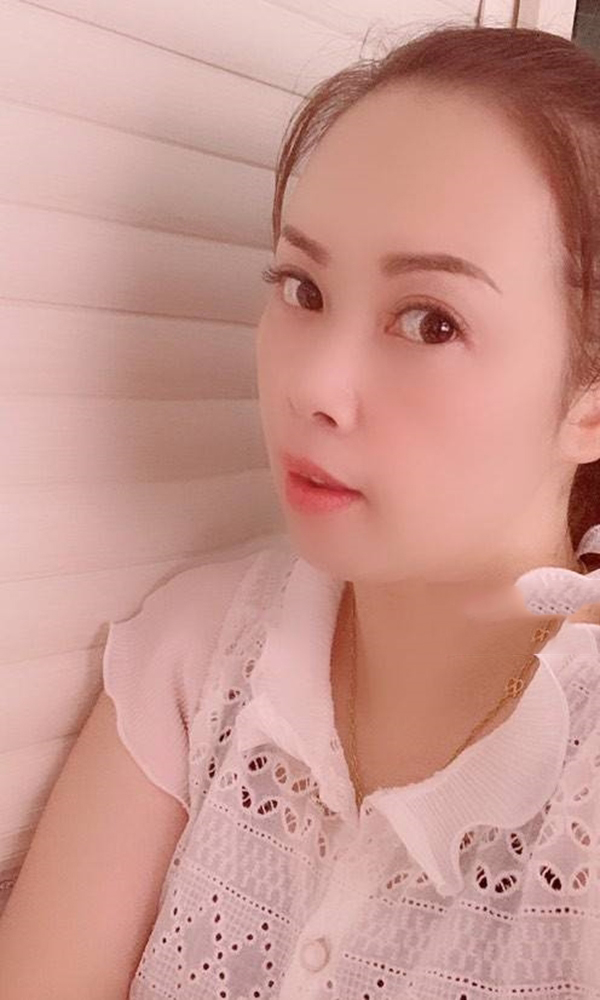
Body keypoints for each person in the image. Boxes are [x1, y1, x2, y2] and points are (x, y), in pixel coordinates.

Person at [2, 21, 600, 1000]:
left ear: (590, 401)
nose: (313, 385)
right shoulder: (200, 658)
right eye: (303, 287)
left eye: (431, 321)